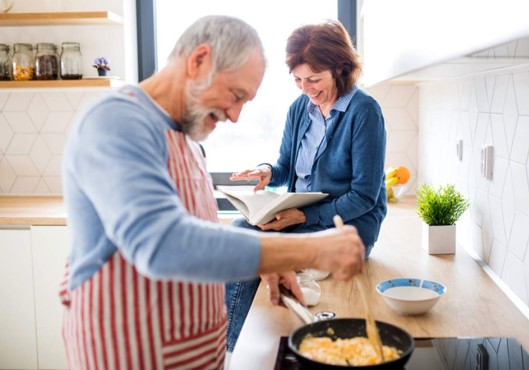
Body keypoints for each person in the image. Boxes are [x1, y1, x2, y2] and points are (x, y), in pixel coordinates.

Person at [59, 15, 365, 369]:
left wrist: (266, 260)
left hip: (188, 353)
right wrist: (306, 249)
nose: (234, 116)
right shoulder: (117, 121)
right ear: (199, 59)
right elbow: (164, 243)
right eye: (235, 95)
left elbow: (193, 232)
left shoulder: (184, 139)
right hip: (134, 354)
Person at [225, 19, 387, 352]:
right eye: (298, 80)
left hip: (349, 225)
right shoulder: (300, 108)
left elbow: (364, 197)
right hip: (300, 216)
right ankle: (233, 346)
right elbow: (287, 166)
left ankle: (230, 348)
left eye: (314, 79)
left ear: (340, 69)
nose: (306, 88)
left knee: (253, 245)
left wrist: (301, 217)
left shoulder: (365, 112)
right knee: (241, 229)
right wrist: (267, 171)